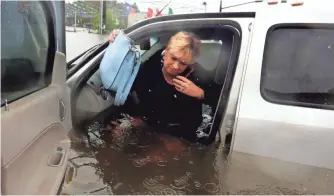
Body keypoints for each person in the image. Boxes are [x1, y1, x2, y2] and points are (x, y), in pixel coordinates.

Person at [107, 30, 219, 143]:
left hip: (181, 134)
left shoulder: (196, 75)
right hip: (150, 125)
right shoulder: (149, 65)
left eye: (183, 63)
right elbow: (125, 89)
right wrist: (117, 41)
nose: (176, 66)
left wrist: (200, 94)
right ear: (166, 51)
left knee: (154, 158)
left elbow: (222, 100)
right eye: (173, 58)